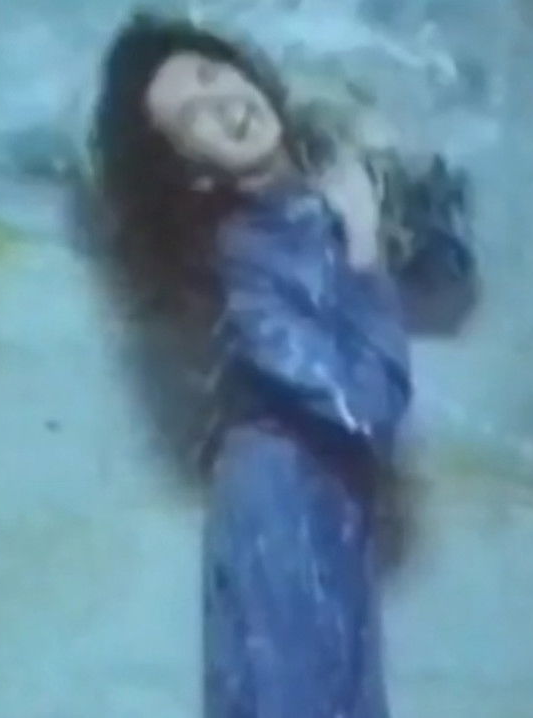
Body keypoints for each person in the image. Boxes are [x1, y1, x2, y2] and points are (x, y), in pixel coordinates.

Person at [94, 13, 412, 718]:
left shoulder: (310, 207)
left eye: (213, 76)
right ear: (193, 171)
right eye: (192, 117)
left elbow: (450, 252)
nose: (225, 104)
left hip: (324, 500)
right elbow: (370, 404)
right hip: (281, 499)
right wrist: (365, 246)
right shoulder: (240, 266)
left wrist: (367, 166)